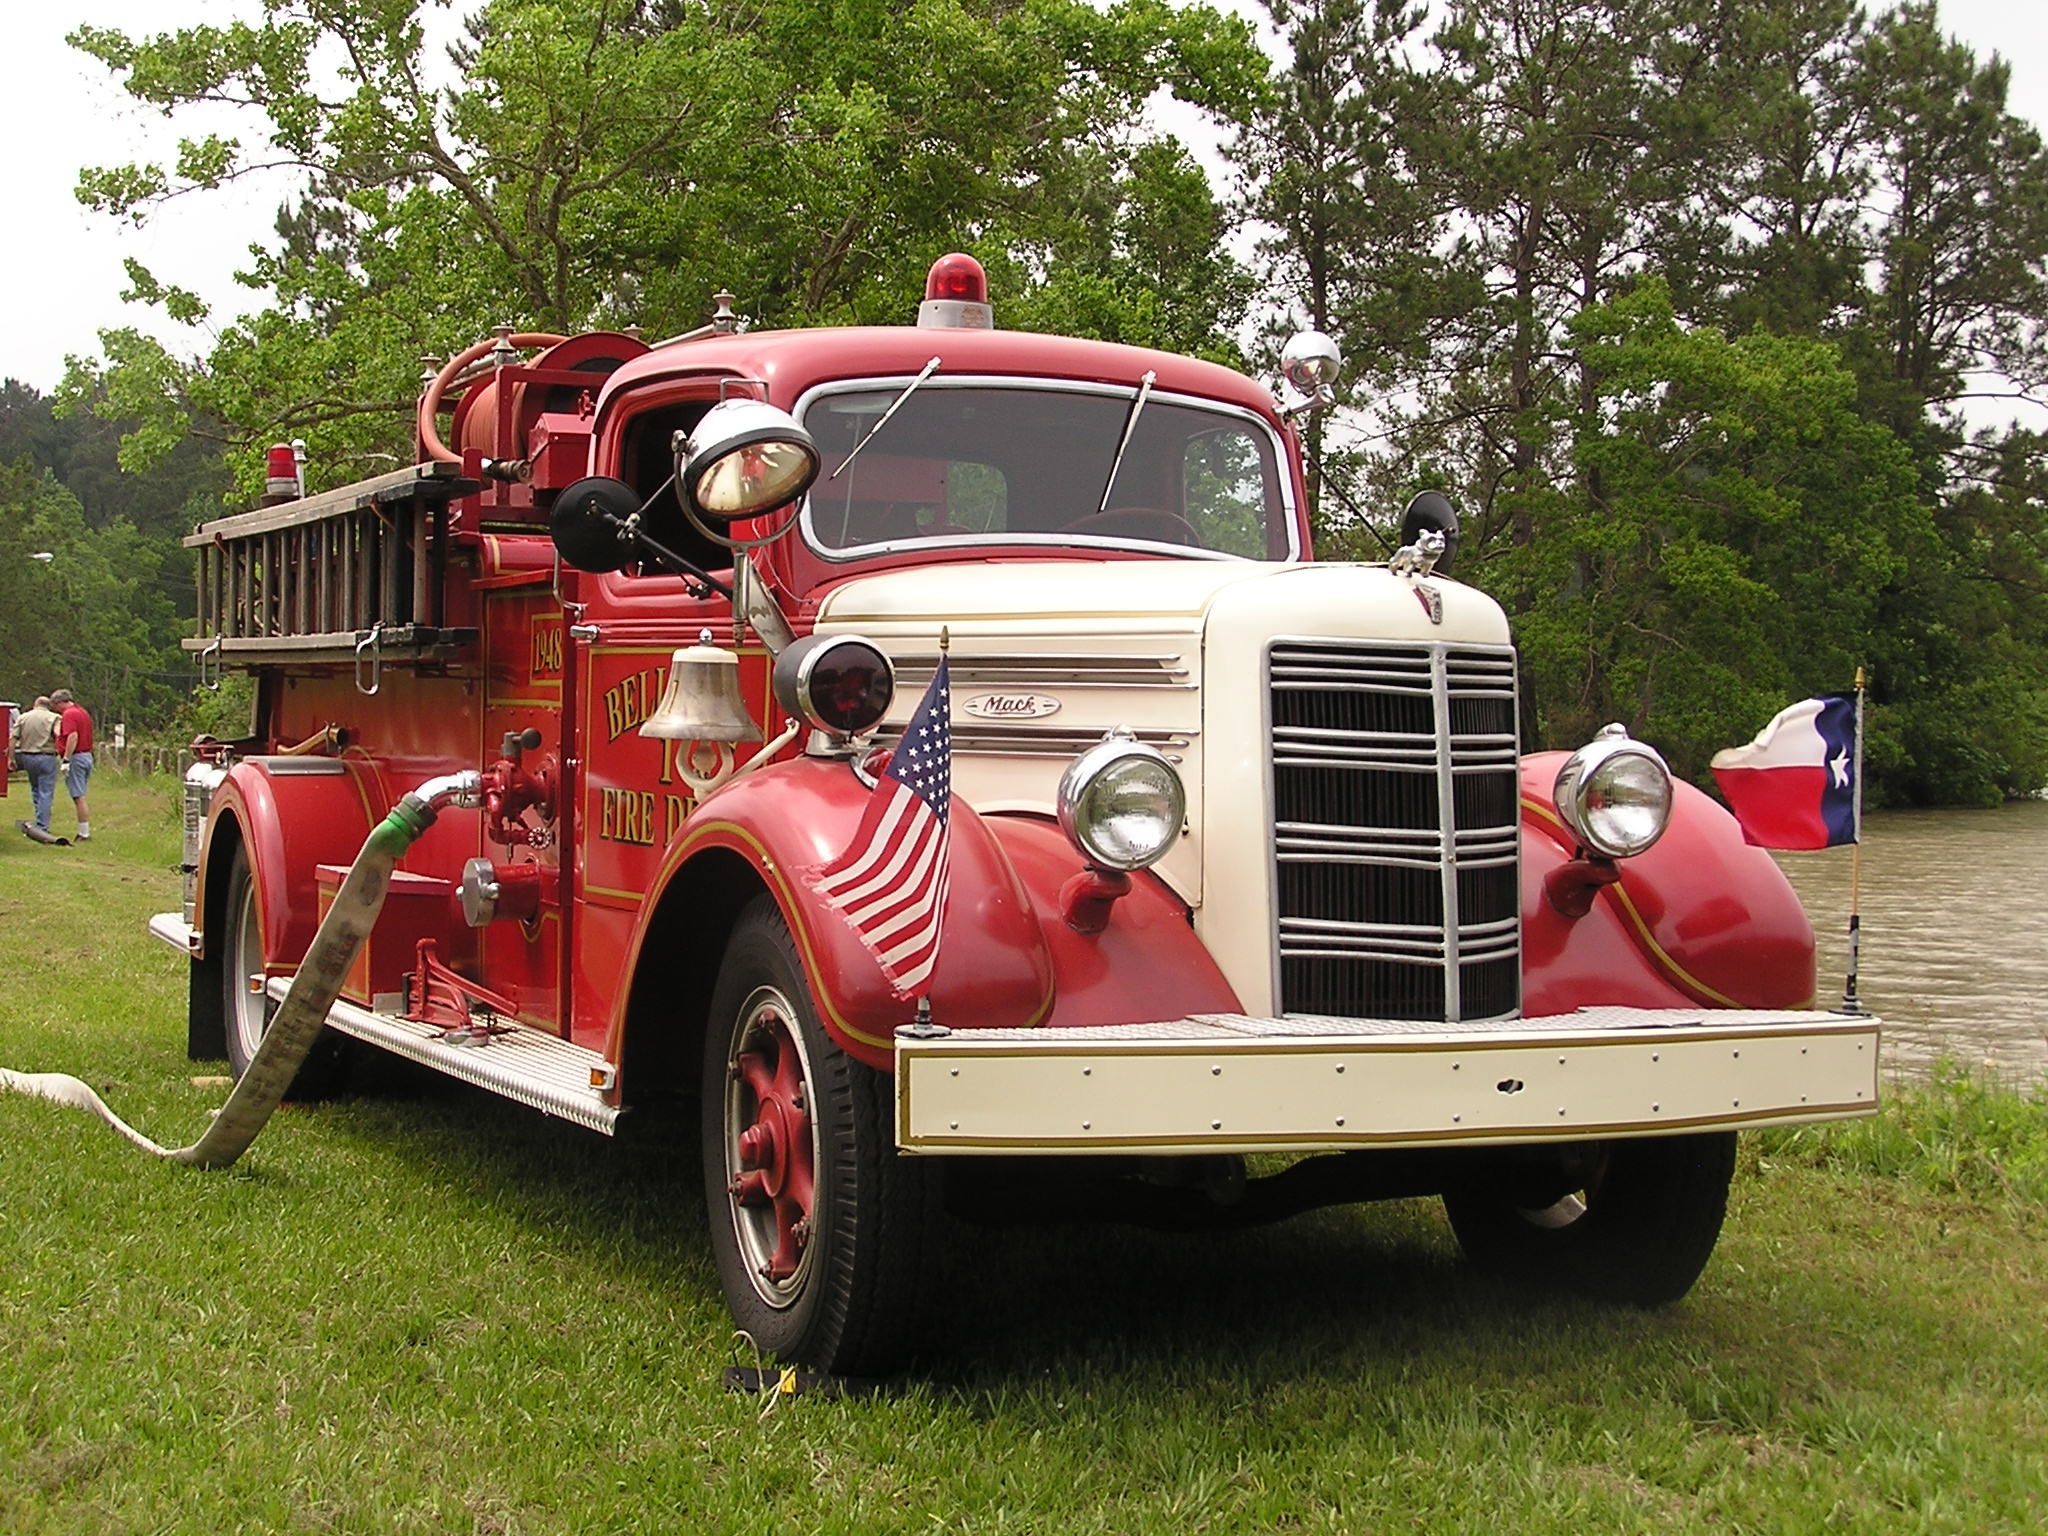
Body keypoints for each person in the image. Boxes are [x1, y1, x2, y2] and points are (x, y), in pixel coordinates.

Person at [11, 694, 62, 834]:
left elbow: (13, 738)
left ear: (35, 704)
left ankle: (38, 817)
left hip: (27, 756)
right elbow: (59, 734)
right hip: (46, 756)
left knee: (35, 789)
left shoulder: (23, 717)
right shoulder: (54, 718)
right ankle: (42, 825)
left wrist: (11, 758)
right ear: (48, 706)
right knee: (46, 791)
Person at [51, 689, 94, 841]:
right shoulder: (82, 711)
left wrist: (67, 759)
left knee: (78, 796)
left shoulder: (69, 714)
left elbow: (73, 736)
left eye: (55, 706)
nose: (56, 709)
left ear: (60, 702)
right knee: (80, 794)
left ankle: (84, 833)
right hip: (87, 755)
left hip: (76, 757)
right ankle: (84, 830)